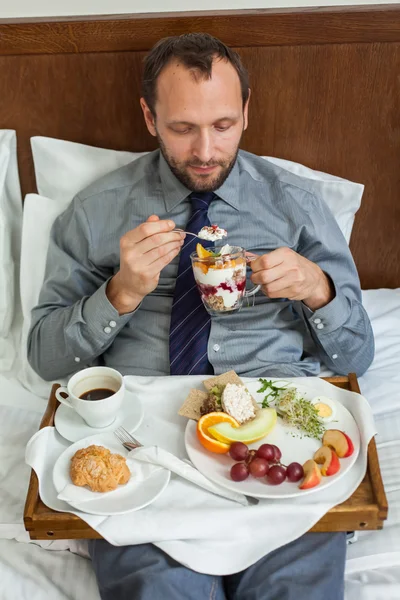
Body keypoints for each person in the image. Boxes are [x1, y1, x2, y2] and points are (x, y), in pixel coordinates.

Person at [28, 33, 374, 600]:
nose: (206, 151)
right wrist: (118, 294)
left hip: (279, 438)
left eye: (222, 125)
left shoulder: (298, 205)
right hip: (143, 443)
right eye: (182, 128)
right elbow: (44, 358)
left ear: (245, 113)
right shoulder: (95, 213)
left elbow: (357, 356)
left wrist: (319, 290)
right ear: (149, 117)